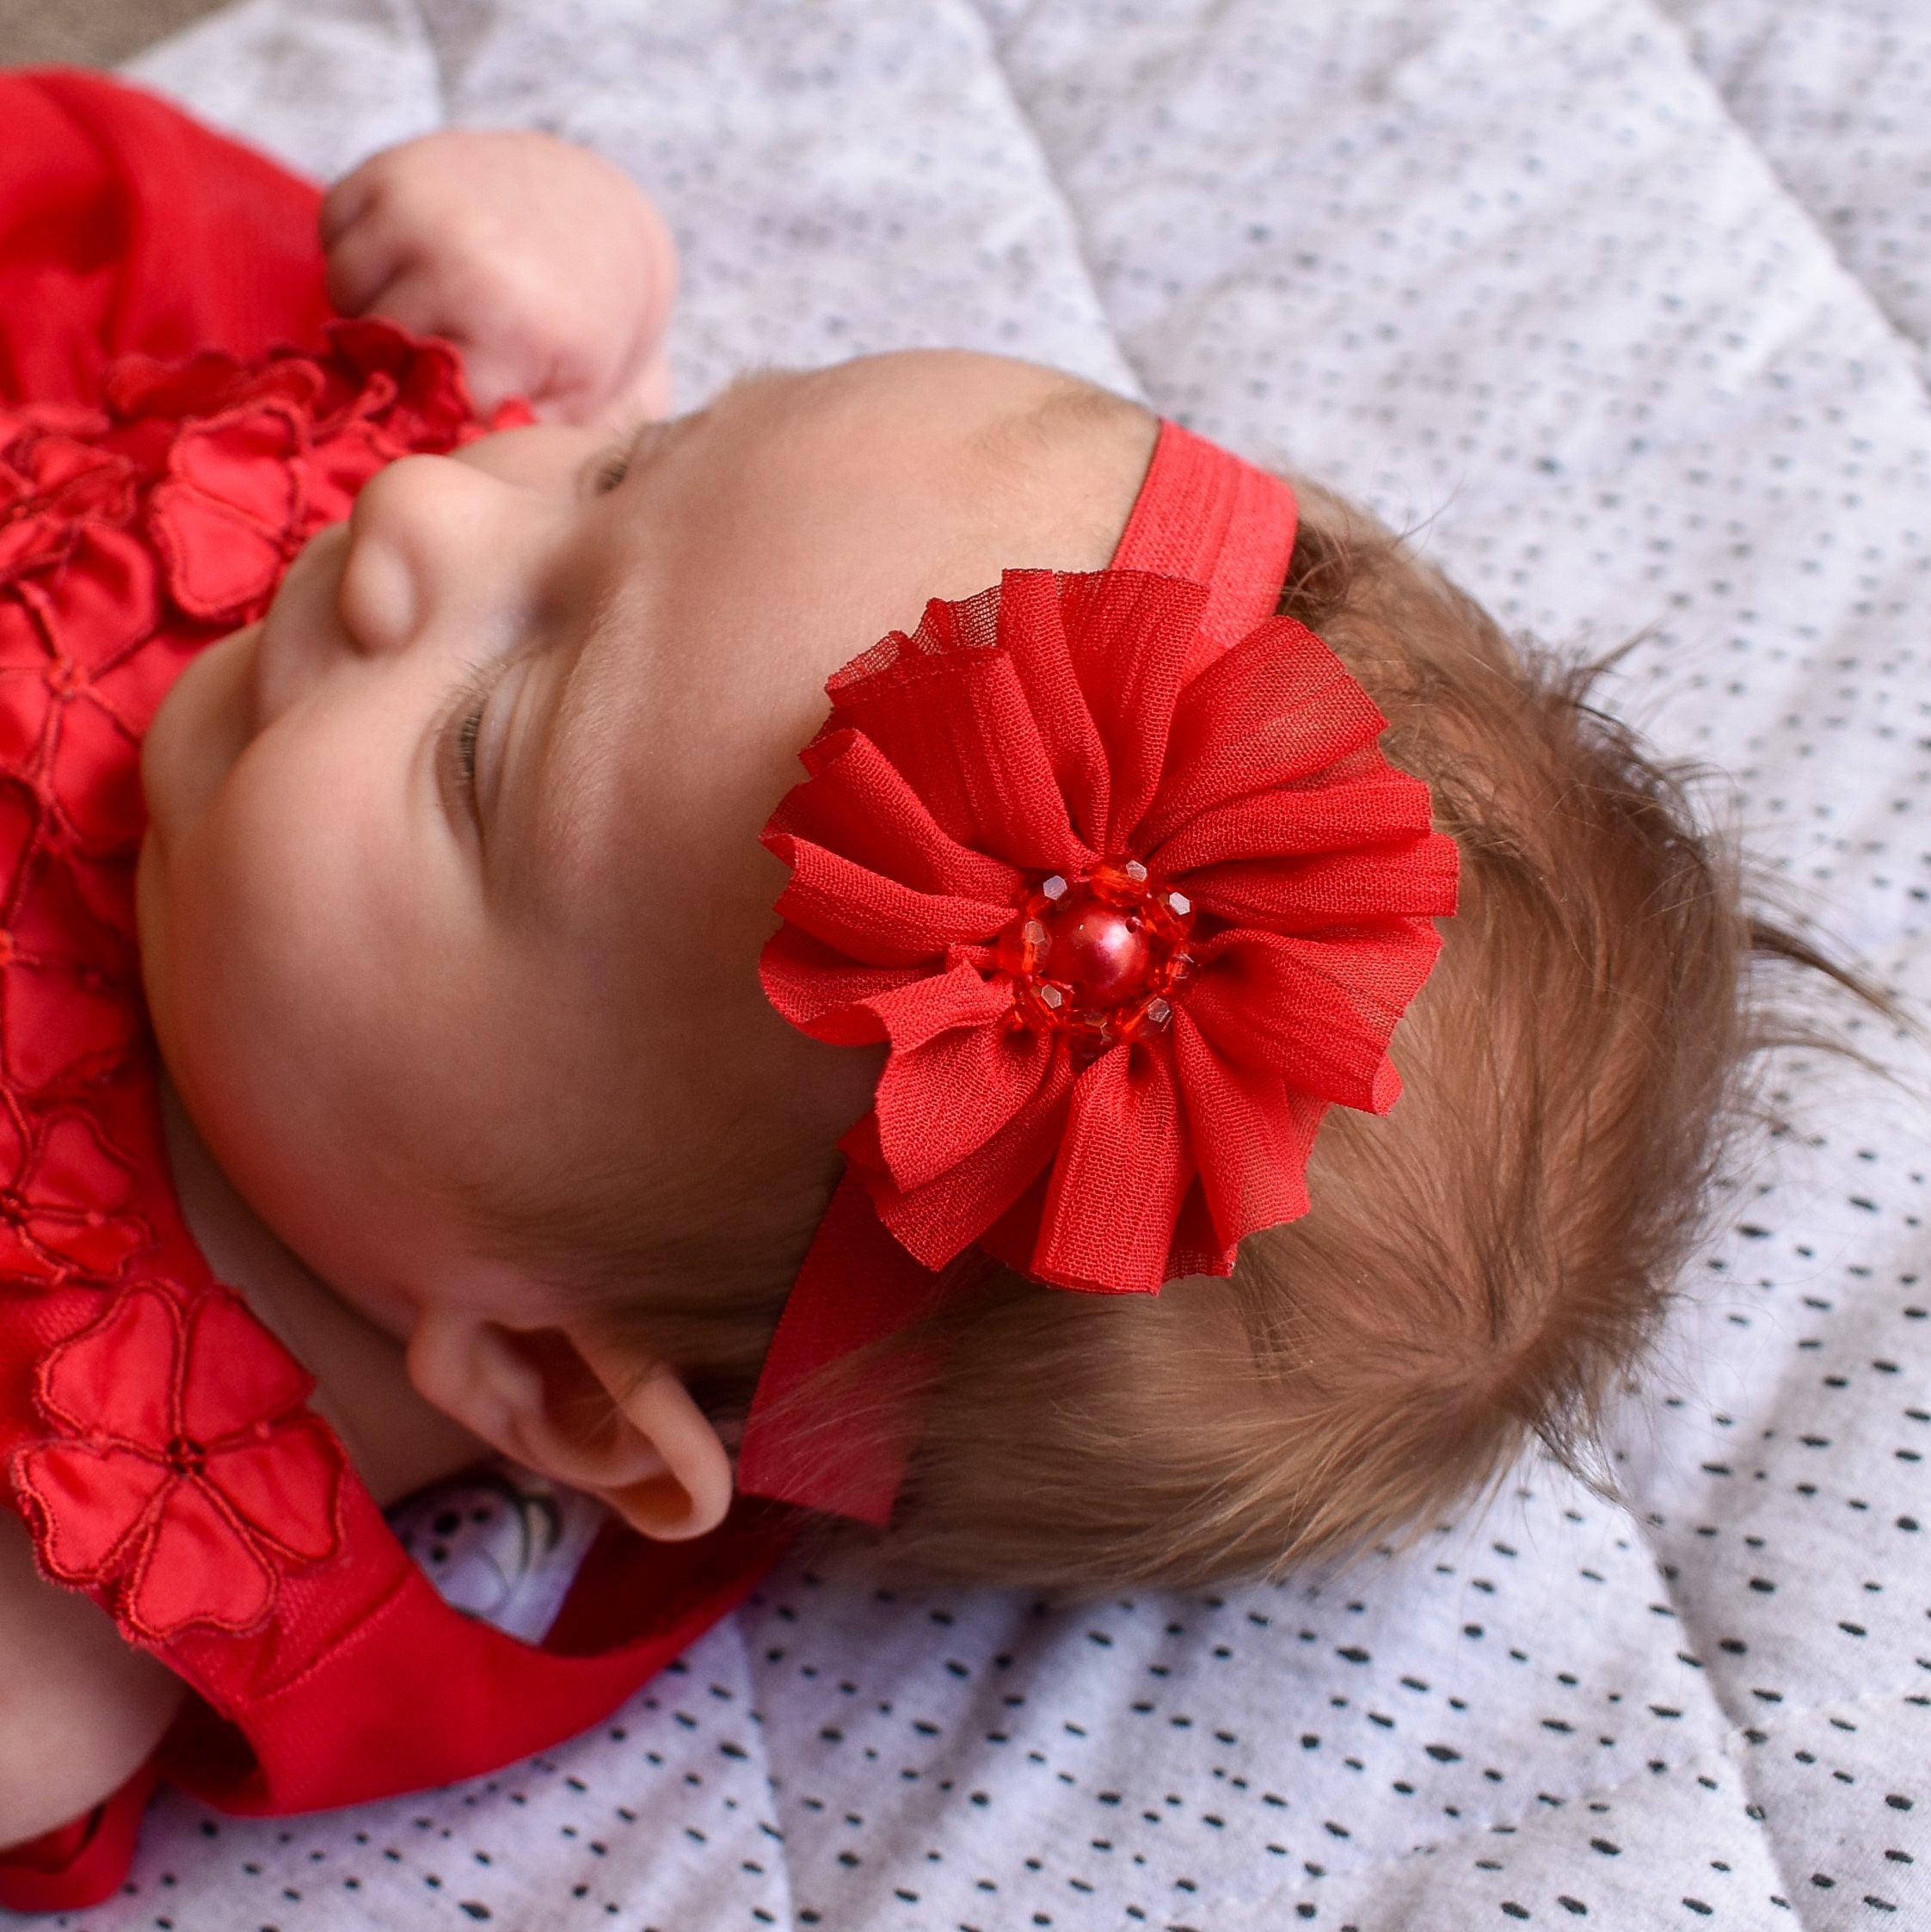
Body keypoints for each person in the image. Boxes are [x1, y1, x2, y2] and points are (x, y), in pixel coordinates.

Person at [0, 66, 1799, 1910]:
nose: (427, 522)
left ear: (547, 1377)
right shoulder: (442, 580)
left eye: (480, 752)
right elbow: (578, 410)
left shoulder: (74, 1572)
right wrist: (569, 264)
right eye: (642, 465)